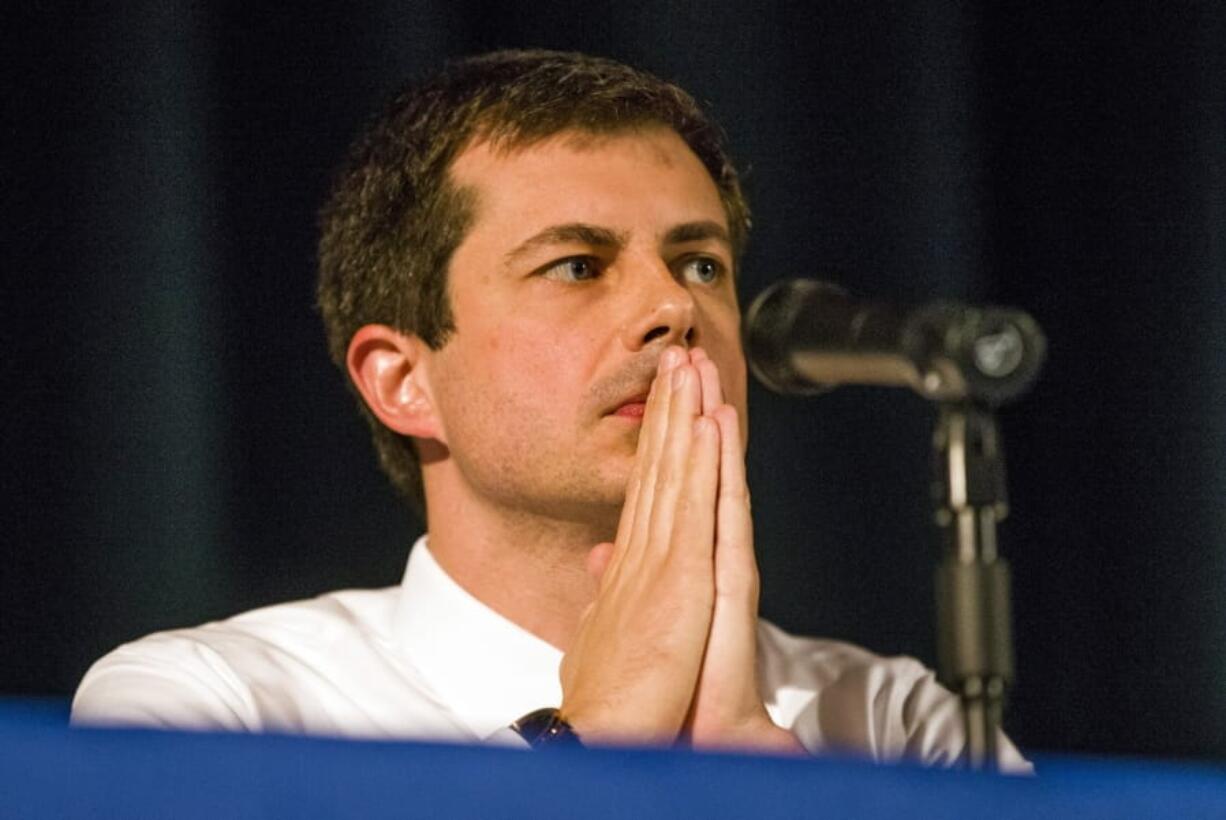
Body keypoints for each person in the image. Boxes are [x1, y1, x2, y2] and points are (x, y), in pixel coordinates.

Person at [73, 49, 1026, 768]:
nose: (673, 309)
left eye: (701, 265)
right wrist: (593, 741)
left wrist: (765, 782)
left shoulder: (893, 723)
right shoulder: (215, 708)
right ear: (403, 381)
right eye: (577, 266)